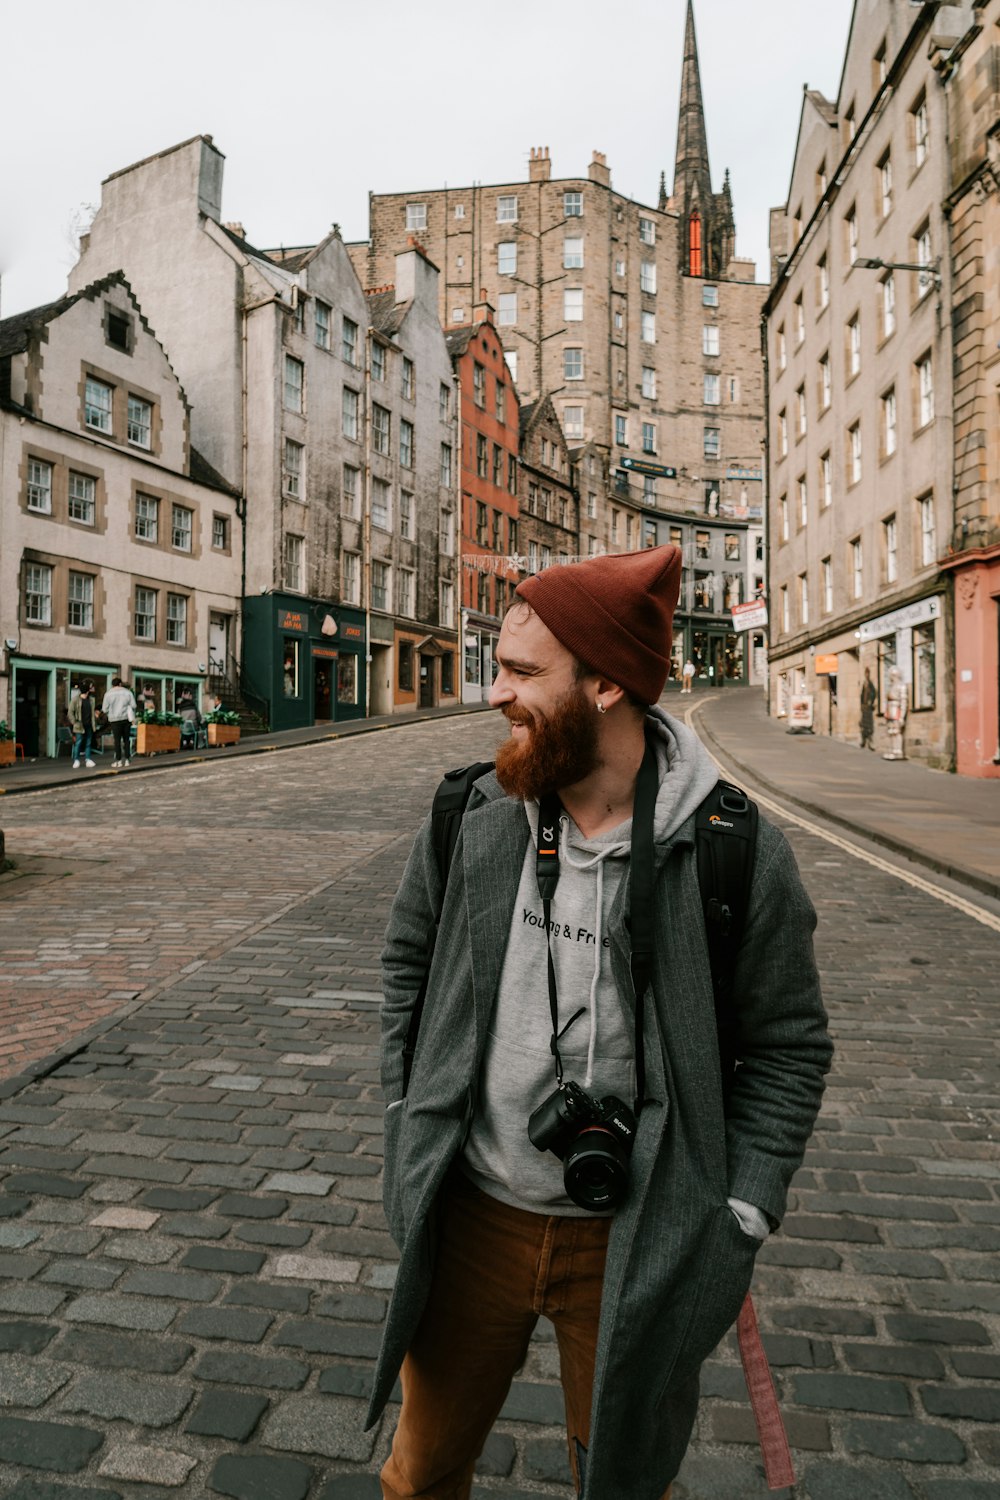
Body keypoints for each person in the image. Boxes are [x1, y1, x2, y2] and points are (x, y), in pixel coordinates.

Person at [372, 547, 832, 1500]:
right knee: (419, 1476)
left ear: (609, 683)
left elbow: (790, 1046)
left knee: (624, 1482)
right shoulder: (475, 813)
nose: (495, 695)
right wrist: (404, 1110)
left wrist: (739, 1210)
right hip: (473, 1217)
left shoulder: (738, 853)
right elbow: (406, 965)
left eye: (524, 673)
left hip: (636, 1233)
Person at [102, 676, 136, 769]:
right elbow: (133, 705)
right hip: (125, 719)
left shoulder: (108, 694)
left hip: (114, 720)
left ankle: (118, 760)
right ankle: (128, 759)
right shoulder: (127, 692)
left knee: (117, 741)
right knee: (126, 739)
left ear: (112, 685)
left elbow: (104, 709)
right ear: (120, 684)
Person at [68, 683, 97, 769]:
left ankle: (88, 759)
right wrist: (74, 722)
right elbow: (70, 712)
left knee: (88, 743)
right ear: (88, 691)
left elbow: (92, 713)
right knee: (78, 743)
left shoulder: (91, 700)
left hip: (89, 725)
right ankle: (76, 760)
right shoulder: (75, 700)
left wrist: (93, 724)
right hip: (79, 725)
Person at [883, 666, 907, 761]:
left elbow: (904, 701)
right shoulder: (891, 686)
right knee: (891, 731)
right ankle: (892, 750)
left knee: (897, 732)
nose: (891, 677)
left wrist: (902, 716)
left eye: (893, 675)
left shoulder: (901, 686)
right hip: (890, 709)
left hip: (896, 709)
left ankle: (898, 751)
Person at [859, 666, 877, 750]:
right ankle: (863, 741)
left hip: (868, 707)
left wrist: (871, 700)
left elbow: (873, 693)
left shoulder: (870, 684)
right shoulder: (864, 684)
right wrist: (862, 704)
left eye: (867, 674)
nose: (866, 675)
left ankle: (870, 742)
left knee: (869, 726)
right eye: (865, 674)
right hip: (864, 707)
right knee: (863, 725)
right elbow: (862, 695)